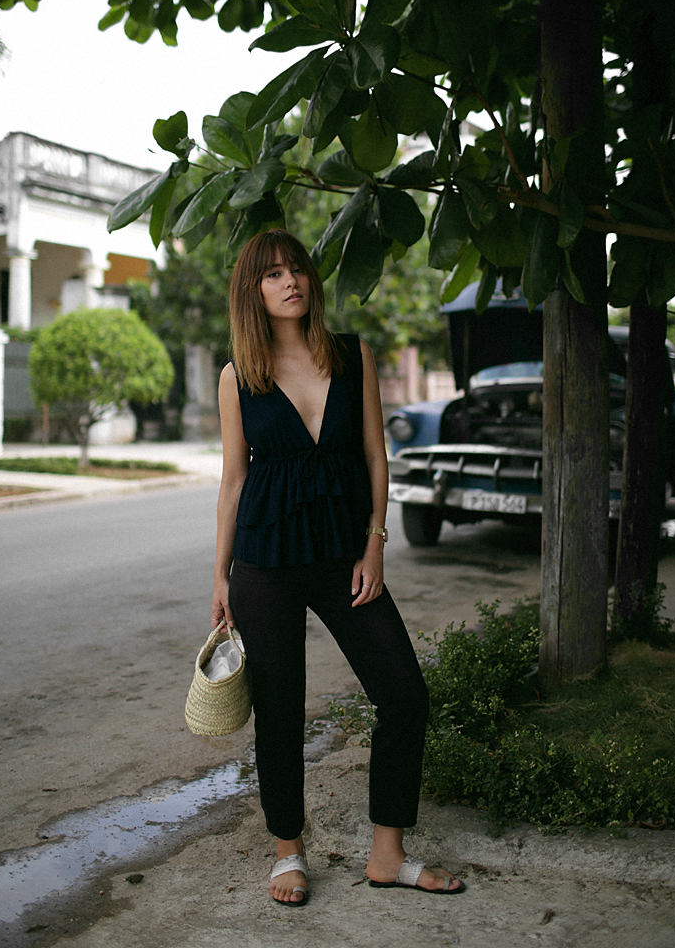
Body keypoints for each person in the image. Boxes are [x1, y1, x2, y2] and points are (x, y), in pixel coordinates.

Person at [212, 229, 464, 905]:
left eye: (296, 268)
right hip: (265, 561)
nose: (290, 281)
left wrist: (375, 544)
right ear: (253, 292)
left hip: (344, 556)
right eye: (272, 274)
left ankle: (388, 854)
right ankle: (287, 853)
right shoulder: (238, 376)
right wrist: (219, 578)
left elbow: (377, 456)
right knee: (280, 711)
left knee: (404, 694)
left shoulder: (353, 354)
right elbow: (234, 481)